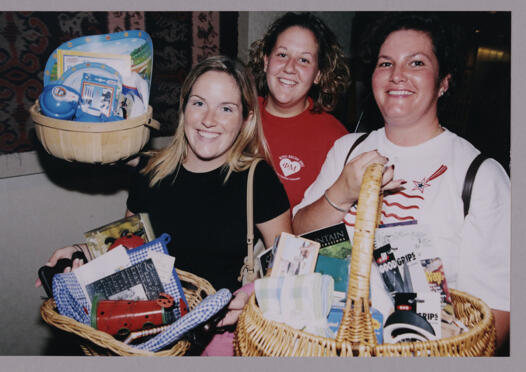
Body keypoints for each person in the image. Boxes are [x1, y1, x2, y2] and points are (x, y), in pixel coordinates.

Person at [36, 55, 293, 355]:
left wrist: (255, 298)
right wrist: (84, 252)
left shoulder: (256, 178)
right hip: (148, 340)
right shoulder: (150, 172)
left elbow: (290, 267)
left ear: (246, 118)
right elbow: (128, 252)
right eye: (199, 103)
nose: (209, 119)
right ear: (184, 107)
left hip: (217, 342)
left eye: (226, 108)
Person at [292, 13, 510, 354]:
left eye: (417, 62)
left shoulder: (480, 175)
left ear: (444, 82)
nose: (397, 75)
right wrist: (342, 193)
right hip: (325, 342)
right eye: (385, 63)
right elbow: (298, 235)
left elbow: (494, 316)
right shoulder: (346, 149)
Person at [248, 12, 351, 210]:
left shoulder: (335, 139)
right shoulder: (238, 115)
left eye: (304, 60)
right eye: (282, 54)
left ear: (319, 75)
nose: (289, 68)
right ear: (266, 61)